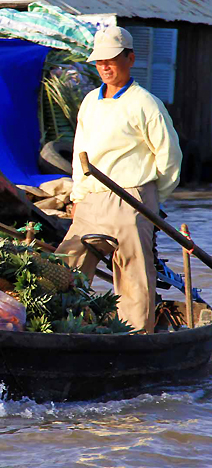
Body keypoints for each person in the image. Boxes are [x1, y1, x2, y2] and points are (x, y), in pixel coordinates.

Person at [56, 26, 182, 334]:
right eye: (99, 62)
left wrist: (151, 200)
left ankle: (137, 336)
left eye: (111, 60)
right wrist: (78, 196)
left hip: (132, 197)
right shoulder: (89, 102)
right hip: (92, 198)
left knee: (134, 273)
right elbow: (79, 154)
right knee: (67, 264)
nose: (105, 67)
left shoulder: (145, 103)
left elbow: (170, 159)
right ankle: (66, 327)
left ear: (130, 59)